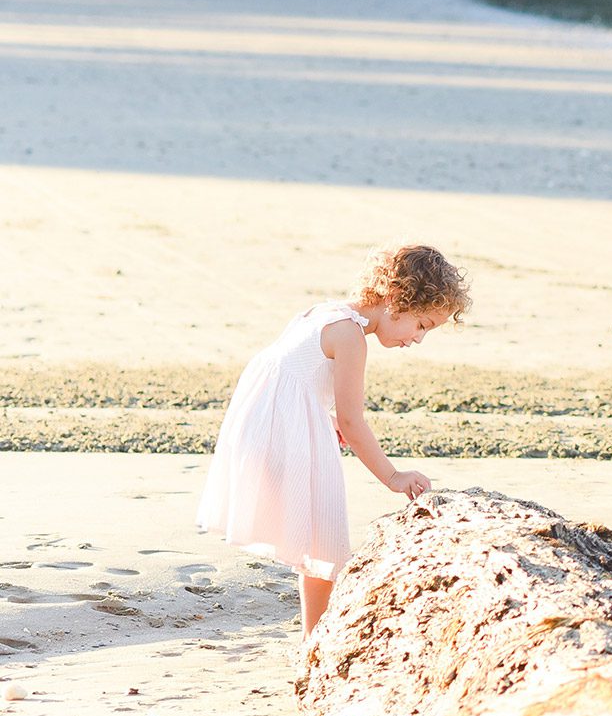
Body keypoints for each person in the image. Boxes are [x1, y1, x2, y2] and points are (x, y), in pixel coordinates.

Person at [196, 244, 471, 637]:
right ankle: (315, 641)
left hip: (262, 424)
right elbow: (352, 421)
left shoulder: (324, 312)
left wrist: (316, 414)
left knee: (316, 544)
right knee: (324, 543)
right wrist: (393, 477)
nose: (419, 339)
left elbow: (295, 373)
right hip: (283, 434)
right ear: (397, 300)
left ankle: (313, 636)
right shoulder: (351, 337)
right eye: (422, 324)